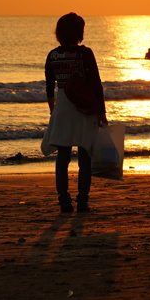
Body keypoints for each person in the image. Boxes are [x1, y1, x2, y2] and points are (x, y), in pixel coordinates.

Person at [41, 13, 107, 214]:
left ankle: (64, 202)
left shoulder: (53, 55)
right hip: (83, 107)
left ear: (59, 33)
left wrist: (54, 111)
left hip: (62, 107)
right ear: (79, 32)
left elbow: (49, 88)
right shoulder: (85, 54)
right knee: (85, 154)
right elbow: (96, 84)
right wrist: (101, 112)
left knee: (63, 156)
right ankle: (83, 201)